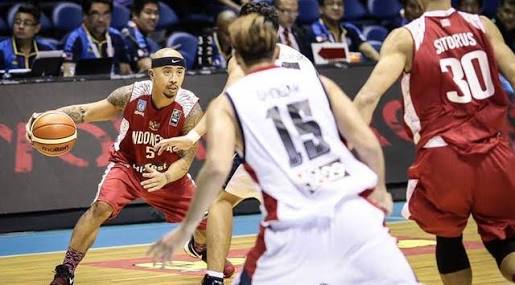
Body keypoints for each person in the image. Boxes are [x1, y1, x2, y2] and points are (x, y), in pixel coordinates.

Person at [148, 13, 418, 285]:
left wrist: (185, 230)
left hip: (294, 224)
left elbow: (217, 168)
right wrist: (381, 188)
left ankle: (214, 275)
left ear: (236, 59)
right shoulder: (320, 83)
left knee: (224, 205)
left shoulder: (228, 102)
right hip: (356, 210)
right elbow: (366, 140)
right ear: (277, 50)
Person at [153, 3, 322, 284]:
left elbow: (225, 101)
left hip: (265, 149)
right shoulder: (301, 59)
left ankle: (214, 276)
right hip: (305, 152)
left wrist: (192, 136)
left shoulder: (243, 58)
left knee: (220, 201)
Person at [353, 0, 515, 284]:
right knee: (505, 236)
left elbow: (368, 97)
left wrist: (340, 145)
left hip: (444, 156)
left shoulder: (406, 37)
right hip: (495, 153)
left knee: (449, 238)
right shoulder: (484, 26)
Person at [25, 48, 205, 285]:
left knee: (208, 222)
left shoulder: (190, 108)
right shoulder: (130, 95)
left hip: (166, 175)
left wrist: (166, 177)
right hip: (128, 166)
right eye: (167, 71)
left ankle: (199, 246)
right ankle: (66, 269)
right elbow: (85, 112)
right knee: (100, 208)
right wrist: (47, 116)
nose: (174, 78)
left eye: (179, 72)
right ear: (152, 74)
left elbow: (185, 160)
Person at [62, 0, 131, 76]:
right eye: (95, 14)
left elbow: (125, 72)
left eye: (106, 14)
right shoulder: (75, 39)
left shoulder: (117, 36)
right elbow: (68, 74)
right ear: (85, 15)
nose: (101, 20)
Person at [311, 0, 380, 61]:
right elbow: (328, 52)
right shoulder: (316, 28)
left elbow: (368, 50)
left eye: (340, 4)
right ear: (321, 9)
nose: (336, 8)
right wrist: (351, 56)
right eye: (330, 4)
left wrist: (381, 63)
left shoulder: (350, 28)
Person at [0, 3, 54, 71]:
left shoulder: (46, 51)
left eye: (27, 23)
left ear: (37, 28)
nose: (21, 26)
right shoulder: (2, 50)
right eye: (17, 22)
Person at [121, 0, 160, 73]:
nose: (153, 17)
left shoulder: (148, 40)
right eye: (148, 12)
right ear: (135, 15)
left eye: (156, 13)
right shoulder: (127, 36)